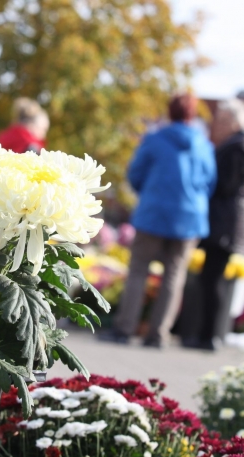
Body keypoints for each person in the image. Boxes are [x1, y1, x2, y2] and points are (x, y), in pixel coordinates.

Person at [102, 93, 217, 348]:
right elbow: (209, 182)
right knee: (174, 277)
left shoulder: (155, 139)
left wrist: (151, 193)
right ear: (193, 114)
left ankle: (125, 328)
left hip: (154, 214)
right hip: (189, 218)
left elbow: (135, 174)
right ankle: (158, 334)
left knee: (138, 271)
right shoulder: (203, 145)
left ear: (170, 112)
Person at [185, 98, 244, 351]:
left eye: (220, 120)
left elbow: (227, 185)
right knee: (214, 279)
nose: (215, 125)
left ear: (233, 122)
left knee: (213, 280)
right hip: (232, 222)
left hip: (225, 223)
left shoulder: (237, 147)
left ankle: (209, 336)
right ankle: (209, 334)